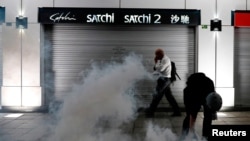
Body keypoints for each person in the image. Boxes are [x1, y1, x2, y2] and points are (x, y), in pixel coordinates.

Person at [145, 48, 181, 117]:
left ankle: (150, 113)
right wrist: (157, 62)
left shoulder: (165, 60)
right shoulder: (161, 59)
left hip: (164, 80)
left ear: (160, 54)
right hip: (164, 80)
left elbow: (160, 69)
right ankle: (177, 112)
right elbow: (155, 68)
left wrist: (157, 61)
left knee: (157, 95)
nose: (156, 56)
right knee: (169, 97)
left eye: (157, 55)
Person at [181, 72, 217, 140]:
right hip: (196, 96)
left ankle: (184, 136)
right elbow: (190, 112)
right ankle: (204, 136)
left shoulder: (208, 83)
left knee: (206, 116)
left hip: (204, 95)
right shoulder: (189, 90)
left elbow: (213, 98)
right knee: (205, 117)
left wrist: (213, 111)